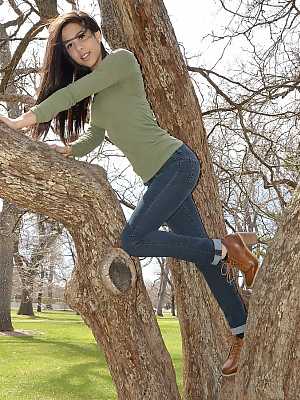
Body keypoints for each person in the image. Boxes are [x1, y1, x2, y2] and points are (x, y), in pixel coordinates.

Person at [0, 10, 259, 376]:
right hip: (158, 179)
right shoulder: (99, 102)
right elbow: (94, 135)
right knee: (205, 258)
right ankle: (241, 324)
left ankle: (226, 248)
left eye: (82, 37)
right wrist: (70, 150)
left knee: (134, 240)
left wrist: (19, 121)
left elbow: (74, 90)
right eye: (70, 46)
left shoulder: (121, 61)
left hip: (177, 163)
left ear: (96, 33)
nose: (78, 48)